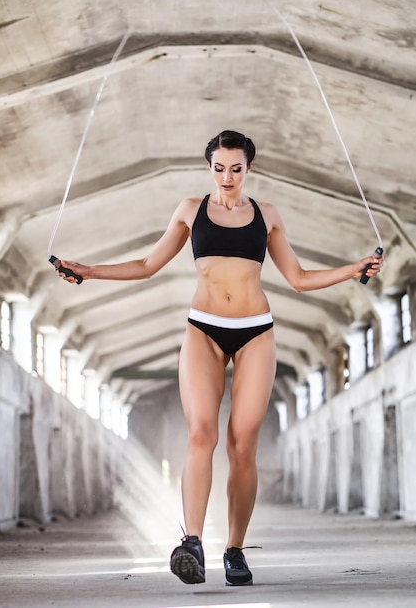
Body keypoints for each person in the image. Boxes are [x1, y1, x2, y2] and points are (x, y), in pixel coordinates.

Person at [55, 129, 383, 586]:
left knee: (242, 445)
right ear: (208, 167)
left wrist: (353, 269)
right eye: (219, 167)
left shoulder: (266, 216)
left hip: (255, 332)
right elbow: (149, 266)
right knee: (200, 434)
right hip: (203, 329)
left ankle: (234, 550)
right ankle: (191, 542)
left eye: (236, 168)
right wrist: (89, 271)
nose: (227, 177)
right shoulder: (191, 211)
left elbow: (300, 278)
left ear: (249, 169)